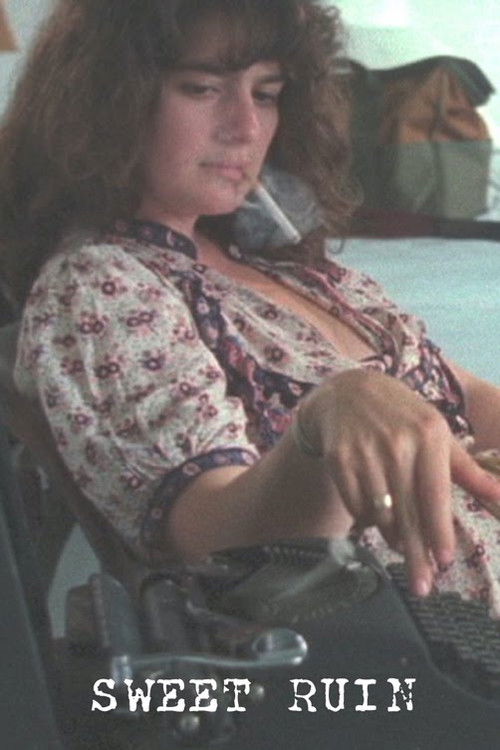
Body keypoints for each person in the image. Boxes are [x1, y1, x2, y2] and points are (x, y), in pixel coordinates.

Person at [2, 0, 500, 611]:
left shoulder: (286, 266)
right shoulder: (99, 286)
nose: (246, 127)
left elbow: (462, 394)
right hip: (432, 650)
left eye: (266, 94)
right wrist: (324, 422)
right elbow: (211, 539)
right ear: (106, 101)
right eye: (204, 88)